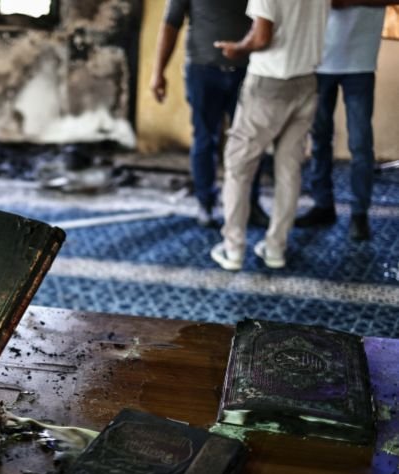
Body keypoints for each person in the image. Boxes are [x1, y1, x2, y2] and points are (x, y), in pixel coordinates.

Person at [209, 0, 329, 271]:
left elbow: (262, 36)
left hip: (269, 83)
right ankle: (276, 248)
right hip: (307, 81)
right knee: (289, 169)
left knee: (239, 166)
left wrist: (237, 48)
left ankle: (233, 249)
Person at [149, 0, 269, 228]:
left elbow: (268, 19)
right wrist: (158, 72)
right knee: (205, 139)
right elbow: (171, 23)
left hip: (249, 70)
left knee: (250, 141)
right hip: (203, 71)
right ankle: (205, 203)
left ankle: (250, 203)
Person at [296, 0, 397, 241]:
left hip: (360, 62)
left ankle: (359, 214)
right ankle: (323, 205)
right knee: (319, 137)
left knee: (361, 144)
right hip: (320, 60)